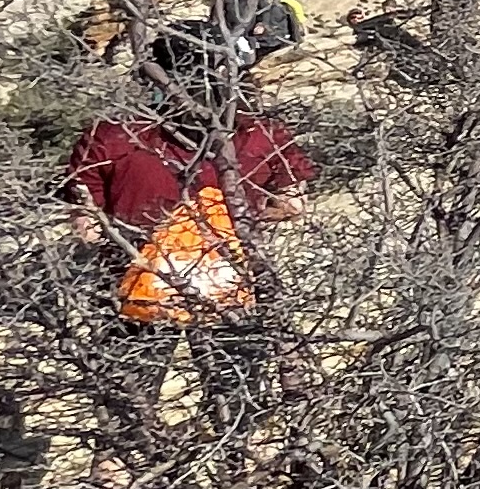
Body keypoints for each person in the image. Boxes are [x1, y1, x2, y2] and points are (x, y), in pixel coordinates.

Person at [63, 93, 314, 421]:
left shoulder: (112, 135)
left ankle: (121, 464)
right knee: (237, 408)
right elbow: (293, 206)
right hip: (229, 286)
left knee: (126, 413)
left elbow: (87, 227)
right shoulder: (261, 133)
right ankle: (238, 463)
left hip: (139, 290)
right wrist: (242, 219)